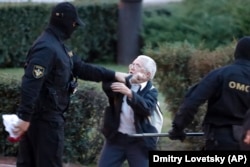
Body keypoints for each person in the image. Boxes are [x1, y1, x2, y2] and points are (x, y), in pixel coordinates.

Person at [12, 2, 134, 167]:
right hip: (44, 121)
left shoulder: (58, 46)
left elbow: (82, 68)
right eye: (74, 23)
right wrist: (25, 117)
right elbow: (31, 83)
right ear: (66, 22)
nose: (75, 27)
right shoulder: (47, 48)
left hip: (45, 119)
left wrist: (114, 74)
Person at [168, 36, 250, 150]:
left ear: (236, 53)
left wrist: (178, 128)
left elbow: (192, 102)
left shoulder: (220, 74)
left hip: (221, 140)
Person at [98, 55, 158, 167]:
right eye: (132, 64)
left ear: (147, 75)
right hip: (116, 138)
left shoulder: (151, 91)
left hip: (138, 141)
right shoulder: (124, 81)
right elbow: (106, 86)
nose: (132, 67)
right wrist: (128, 81)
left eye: (137, 65)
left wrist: (130, 93)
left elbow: (147, 109)